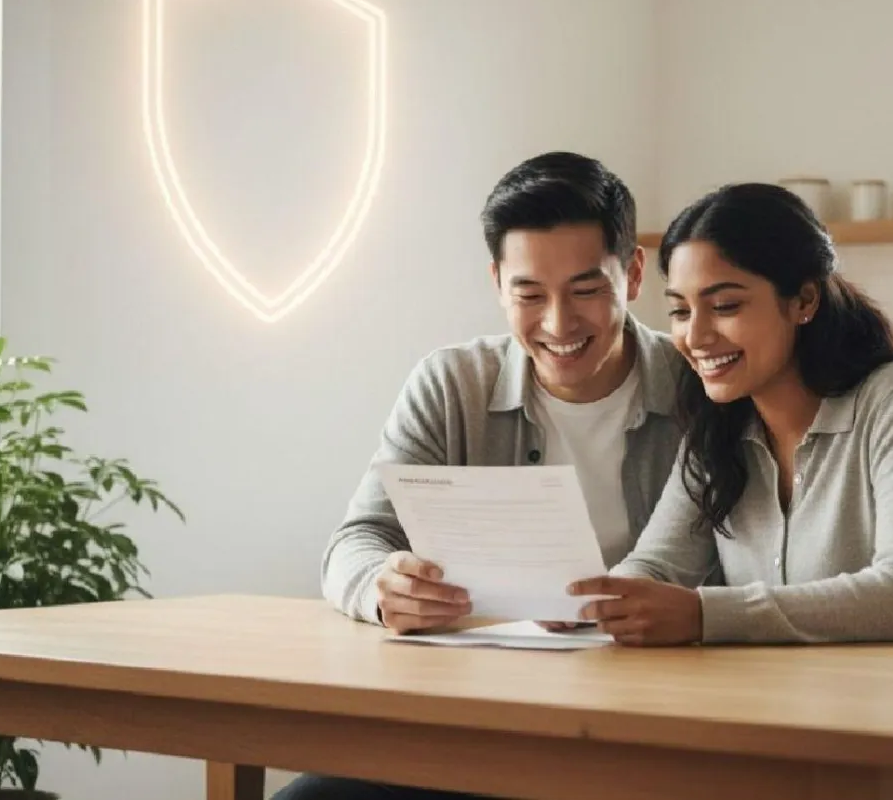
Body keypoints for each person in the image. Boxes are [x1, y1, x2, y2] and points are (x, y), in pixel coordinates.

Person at [274, 152, 687, 800]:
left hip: (653, 727)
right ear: (497, 281)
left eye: (585, 290)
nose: (557, 324)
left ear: (633, 273)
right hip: (473, 717)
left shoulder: (700, 390)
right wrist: (381, 590)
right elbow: (358, 537)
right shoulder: (451, 384)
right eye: (529, 294)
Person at [567, 182, 893, 647]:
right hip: (798, 706)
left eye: (726, 306)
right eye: (680, 311)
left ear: (804, 301)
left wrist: (705, 614)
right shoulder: (719, 425)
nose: (696, 336)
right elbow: (657, 564)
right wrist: (596, 603)